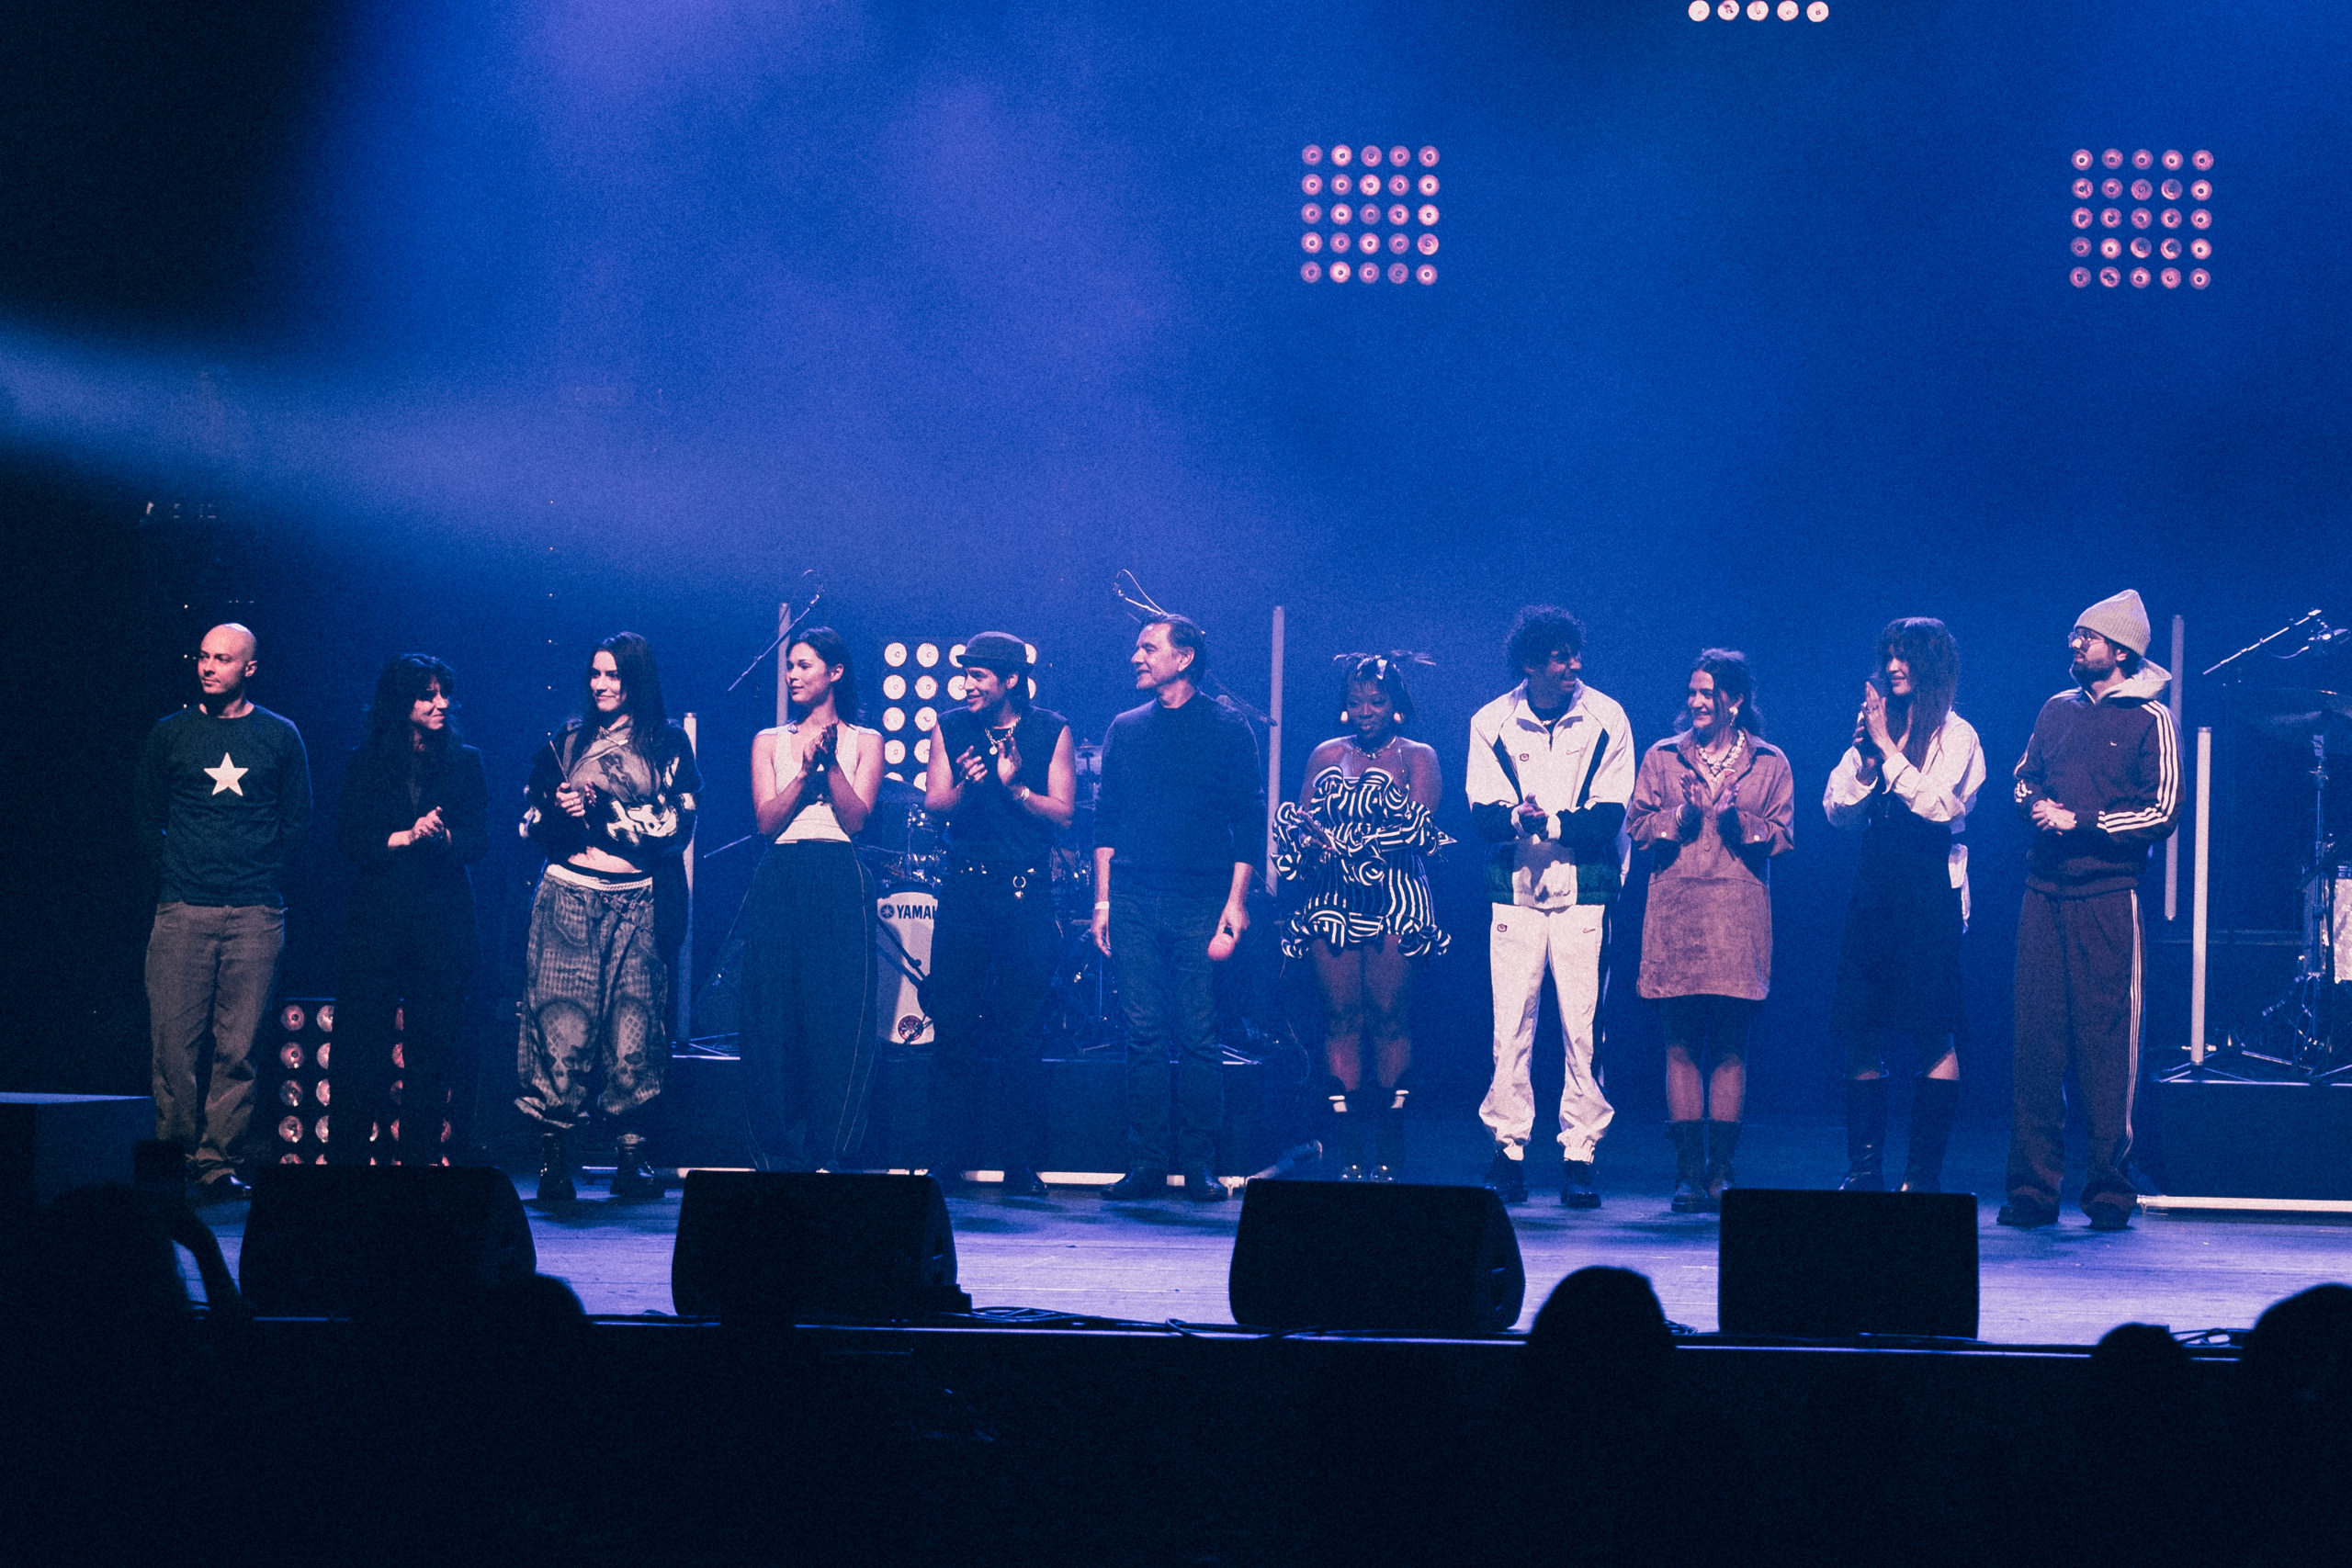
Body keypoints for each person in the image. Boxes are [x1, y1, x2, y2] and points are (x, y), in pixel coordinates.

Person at [2003, 590, 2178, 1231]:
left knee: (2108, 1045)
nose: (2075, 644)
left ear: (2121, 651)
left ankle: (2108, 1189)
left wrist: (2079, 821)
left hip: (2108, 896)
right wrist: (2036, 805)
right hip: (2044, 893)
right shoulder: (2057, 709)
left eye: (2088, 636)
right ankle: (2032, 1189)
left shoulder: (2151, 718)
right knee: (2037, 1043)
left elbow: (2162, 809)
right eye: (2075, 634)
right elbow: (2023, 776)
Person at [517, 632, 700, 1202]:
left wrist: (603, 812)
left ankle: (630, 1153)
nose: (601, 684)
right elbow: (527, 821)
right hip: (568, 897)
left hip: (637, 902)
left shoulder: (666, 743)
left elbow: (677, 823)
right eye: (595, 673)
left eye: (614, 675)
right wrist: (558, 810)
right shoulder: (567, 740)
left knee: (634, 1030)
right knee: (561, 1024)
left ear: (636, 679)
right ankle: (554, 1156)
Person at [133, 623, 311, 1202]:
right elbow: (145, 816)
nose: (208, 667)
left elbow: (298, 821)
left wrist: (260, 874)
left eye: (223, 659)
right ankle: (173, 1160)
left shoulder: (279, 735)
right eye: (204, 657)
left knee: (238, 1049)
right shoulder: (171, 733)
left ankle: (216, 1163)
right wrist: (175, 872)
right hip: (184, 909)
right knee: (173, 1046)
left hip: (255, 912)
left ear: (249, 668)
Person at [1090, 615, 1265, 1201]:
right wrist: (1103, 901)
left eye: (1148, 647)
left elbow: (1248, 821)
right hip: (1134, 896)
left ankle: (1198, 1163)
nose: (1136, 657)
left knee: (1197, 1032)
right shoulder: (1126, 728)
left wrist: (1236, 903)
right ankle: (1145, 1163)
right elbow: (1106, 820)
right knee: (1142, 1033)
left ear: (1184, 657)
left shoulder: (1228, 727)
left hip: (1200, 898)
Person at [1468, 606, 1635, 1207]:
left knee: (1582, 1026)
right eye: (1561, 657)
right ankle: (1508, 1151)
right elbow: (1483, 812)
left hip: (1585, 892)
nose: (1574, 665)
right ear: (1530, 663)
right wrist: (1519, 818)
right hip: (1514, 891)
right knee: (1510, 1023)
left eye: (1575, 653)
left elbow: (1610, 814)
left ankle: (1579, 1154)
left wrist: (1552, 822)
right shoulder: (1491, 721)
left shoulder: (1607, 718)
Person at [1625, 649, 1793, 1212]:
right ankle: (1687, 1172)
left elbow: (1782, 836)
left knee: (1728, 1047)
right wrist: (1681, 817)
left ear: (1734, 700)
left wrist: (1732, 819)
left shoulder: (1769, 762)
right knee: (1678, 1044)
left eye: (1707, 693)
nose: (1696, 702)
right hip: (1676, 916)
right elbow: (1636, 826)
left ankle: (1721, 1168)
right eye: (1692, 692)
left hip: (1736, 919)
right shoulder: (1662, 757)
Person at [1271, 652, 1449, 1179]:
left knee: (1388, 1015)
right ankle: (1349, 1148)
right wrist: (1309, 844)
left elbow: (1419, 829)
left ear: (1395, 705)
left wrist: (1358, 846)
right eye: (1356, 702)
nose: (1366, 711)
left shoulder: (1418, 756)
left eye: (1376, 701)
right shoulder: (1326, 754)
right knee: (1341, 1016)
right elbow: (1302, 823)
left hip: (1395, 894)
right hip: (1332, 897)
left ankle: (1390, 1141)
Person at [1823, 618, 1985, 1193]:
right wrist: (1868, 762)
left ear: (1932, 664)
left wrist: (1889, 751)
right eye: (1887, 655)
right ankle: (1864, 1169)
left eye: (1905, 656)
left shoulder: (1958, 735)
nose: (1893, 666)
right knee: (1860, 1026)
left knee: (1933, 1028)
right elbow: (1836, 809)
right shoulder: (1876, 728)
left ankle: (1922, 1176)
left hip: (1928, 892)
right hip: (1875, 889)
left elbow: (1938, 806)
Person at [921, 632, 1076, 1196]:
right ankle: (947, 1159)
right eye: (965, 675)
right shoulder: (950, 726)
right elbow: (934, 804)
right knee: (954, 1024)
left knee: (1021, 1029)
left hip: (1023, 893)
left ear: (1010, 680)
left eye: (978, 676)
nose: (967, 685)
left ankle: (1020, 1163)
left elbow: (1064, 814)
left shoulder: (1050, 729)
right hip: (965, 889)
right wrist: (968, 786)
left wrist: (1016, 790)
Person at [332, 655, 489, 1166]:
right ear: (401, 702)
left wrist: (444, 838)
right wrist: (404, 836)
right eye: (427, 695)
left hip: (442, 924)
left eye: (444, 693)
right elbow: (348, 839)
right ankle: (347, 1169)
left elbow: (480, 840)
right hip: (377, 924)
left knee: (432, 1053)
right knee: (360, 1050)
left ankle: (420, 1168)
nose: (441, 703)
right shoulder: (365, 761)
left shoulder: (465, 761)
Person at [739, 627, 884, 1172]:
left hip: (838, 871)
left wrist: (831, 765)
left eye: (804, 665)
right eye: (789, 666)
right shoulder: (768, 740)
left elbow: (857, 819)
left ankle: (832, 1148)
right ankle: (778, 1150)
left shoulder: (866, 740)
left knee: (836, 1010)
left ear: (835, 672)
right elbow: (765, 821)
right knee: (774, 1009)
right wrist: (803, 771)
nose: (793, 675)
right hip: (782, 872)